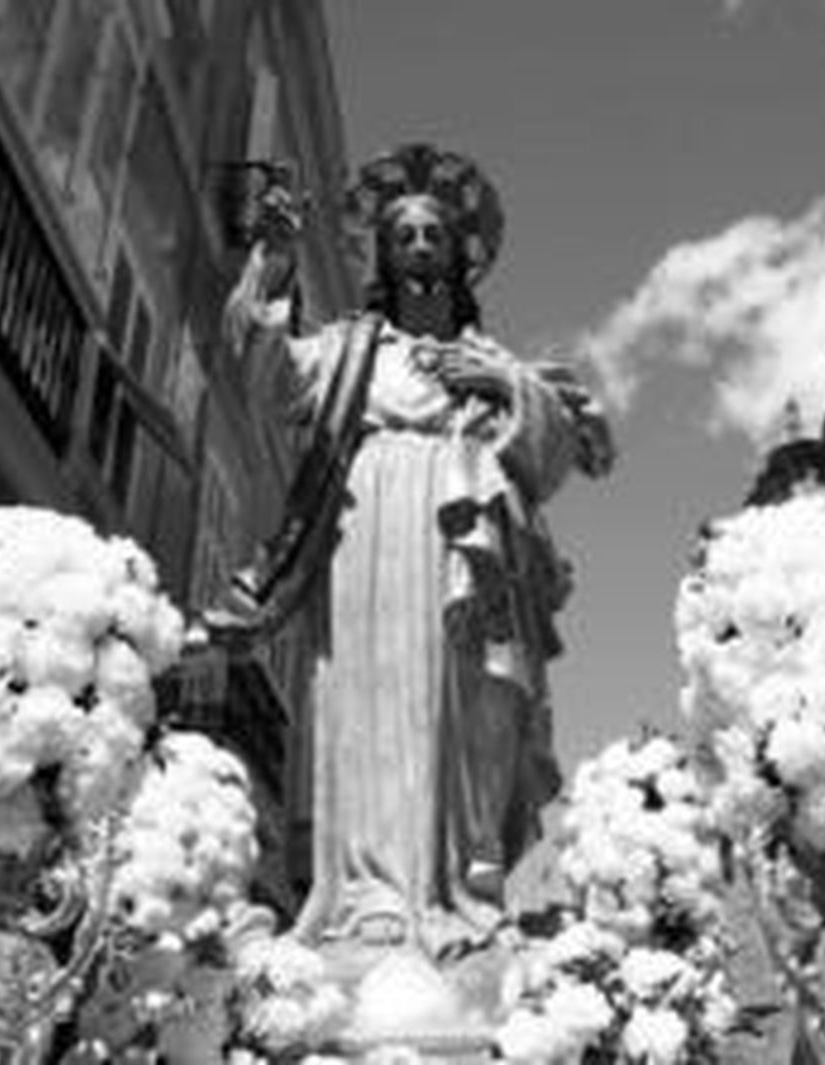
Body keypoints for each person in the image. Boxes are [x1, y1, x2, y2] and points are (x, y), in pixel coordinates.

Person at [211, 144, 612, 957]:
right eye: (406, 237)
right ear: (386, 258)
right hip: (366, 532)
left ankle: (466, 882)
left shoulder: (493, 362)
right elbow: (269, 377)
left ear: (460, 257)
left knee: (474, 704)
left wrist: (504, 387)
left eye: (436, 235)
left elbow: (570, 450)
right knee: (372, 695)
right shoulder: (351, 350)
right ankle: (369, 892)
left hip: (471, 547)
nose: (422, 247)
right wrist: (276, 261)